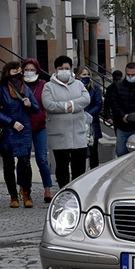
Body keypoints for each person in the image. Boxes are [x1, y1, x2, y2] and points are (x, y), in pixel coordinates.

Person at [0, 61, 40, 208]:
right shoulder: (0, 89)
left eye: (19, 70)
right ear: (7, 73)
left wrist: (30, 104)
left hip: (24, 130)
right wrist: (11, 122)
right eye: (14, 71)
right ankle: (13, 195)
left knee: (25, 163)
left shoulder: (25, 88)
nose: (18, 73)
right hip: (7, 131)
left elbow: (36, 109)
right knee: (9, 164)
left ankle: (26, 193)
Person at [42, 56, 91, 188]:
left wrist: (72, 104)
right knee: (62, 164)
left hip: (78, 132)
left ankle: (77, 190)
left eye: (67, 68)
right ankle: (63, 190)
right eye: (61, 68)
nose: (64, 71)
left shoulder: (78, 84)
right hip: (59, 132)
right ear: (56, 70)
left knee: (79, 165)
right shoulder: (48, 87)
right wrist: (65, 107)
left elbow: (86, 99)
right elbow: (48, 104)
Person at [22, 58, 54, 203]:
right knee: (23, 160)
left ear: (37, 70)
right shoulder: (19, 85)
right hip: (23, 127)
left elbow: (47, 103)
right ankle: (22, 188)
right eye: (26, 70)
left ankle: (47, 190)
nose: (29, 73)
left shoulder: (43, 85)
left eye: (32, 70)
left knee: (42, 158)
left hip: (40, 126)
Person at [76, 66, 103, 169]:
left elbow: (98, 104)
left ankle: (93, 170)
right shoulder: (75, 87)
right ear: (78, 76)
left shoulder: (94, 87)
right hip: (78, 121)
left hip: (92, 121)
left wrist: (88, 115)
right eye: (84, 74)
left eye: (88, 74)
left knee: (93, 150)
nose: (86, 77)